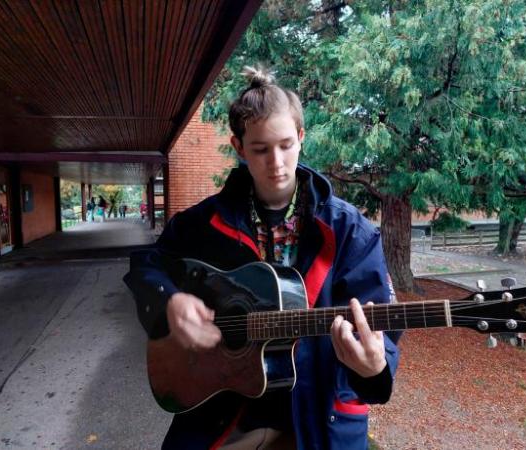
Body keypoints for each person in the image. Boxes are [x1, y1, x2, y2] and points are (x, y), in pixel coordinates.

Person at [124, 66, 401, 450]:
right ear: (238, 147)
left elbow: (380, 323)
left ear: (301, 138)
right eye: (260, 149)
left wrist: (374, 367)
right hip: (222, 415)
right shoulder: (202, 224)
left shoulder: (351, 231)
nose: (276, 162)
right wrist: (169, 300)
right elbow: (146, 266)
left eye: (286, 145)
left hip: (317, 423)